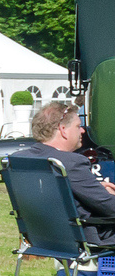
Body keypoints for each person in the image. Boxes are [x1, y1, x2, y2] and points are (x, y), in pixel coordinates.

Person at [30, 100, 115, 244]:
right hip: (87, 239)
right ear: (63, 130)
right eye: (78, 126)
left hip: (44, 238)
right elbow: (110, 207)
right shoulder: (70, 163)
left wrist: (97, 188)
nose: (82, 130)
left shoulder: (26, 158)